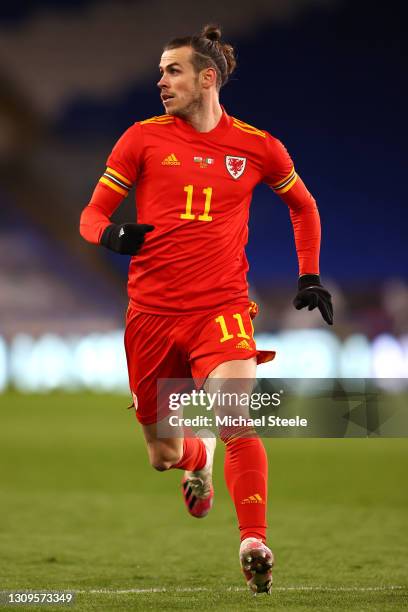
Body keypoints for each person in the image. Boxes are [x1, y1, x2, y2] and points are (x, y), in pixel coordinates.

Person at [79, 24, 333, 595]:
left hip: (220, 308)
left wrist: (310, 274)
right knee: (162, 454)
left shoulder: (258, 146)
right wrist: (111, 235)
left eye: (173, 71)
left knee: (236, 417)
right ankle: (198, 456)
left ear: (207, 78)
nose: (160, 81)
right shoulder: (140, 139)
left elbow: (304, 206)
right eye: (160, 72)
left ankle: (254, 541)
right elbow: (90, 216)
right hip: (149, 315)